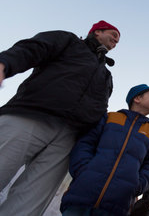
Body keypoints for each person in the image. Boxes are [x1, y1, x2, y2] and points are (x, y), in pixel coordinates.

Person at [0, 20, 120, 215]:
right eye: (113, 33)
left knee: (30, 202)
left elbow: (100, 109)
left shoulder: (106, 76)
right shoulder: (69, 41)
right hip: (31, 115)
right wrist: (5, 63)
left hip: (68, 139)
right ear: (97, 32)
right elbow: (33, 48)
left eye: (118, 39)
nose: (116, 39)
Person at [60, 84, 149, 216]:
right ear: (137, 98)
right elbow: (86, 143)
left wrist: (137, 185)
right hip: (81, 196)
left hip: (118, 204)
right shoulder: (109, 117)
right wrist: (82, 171)